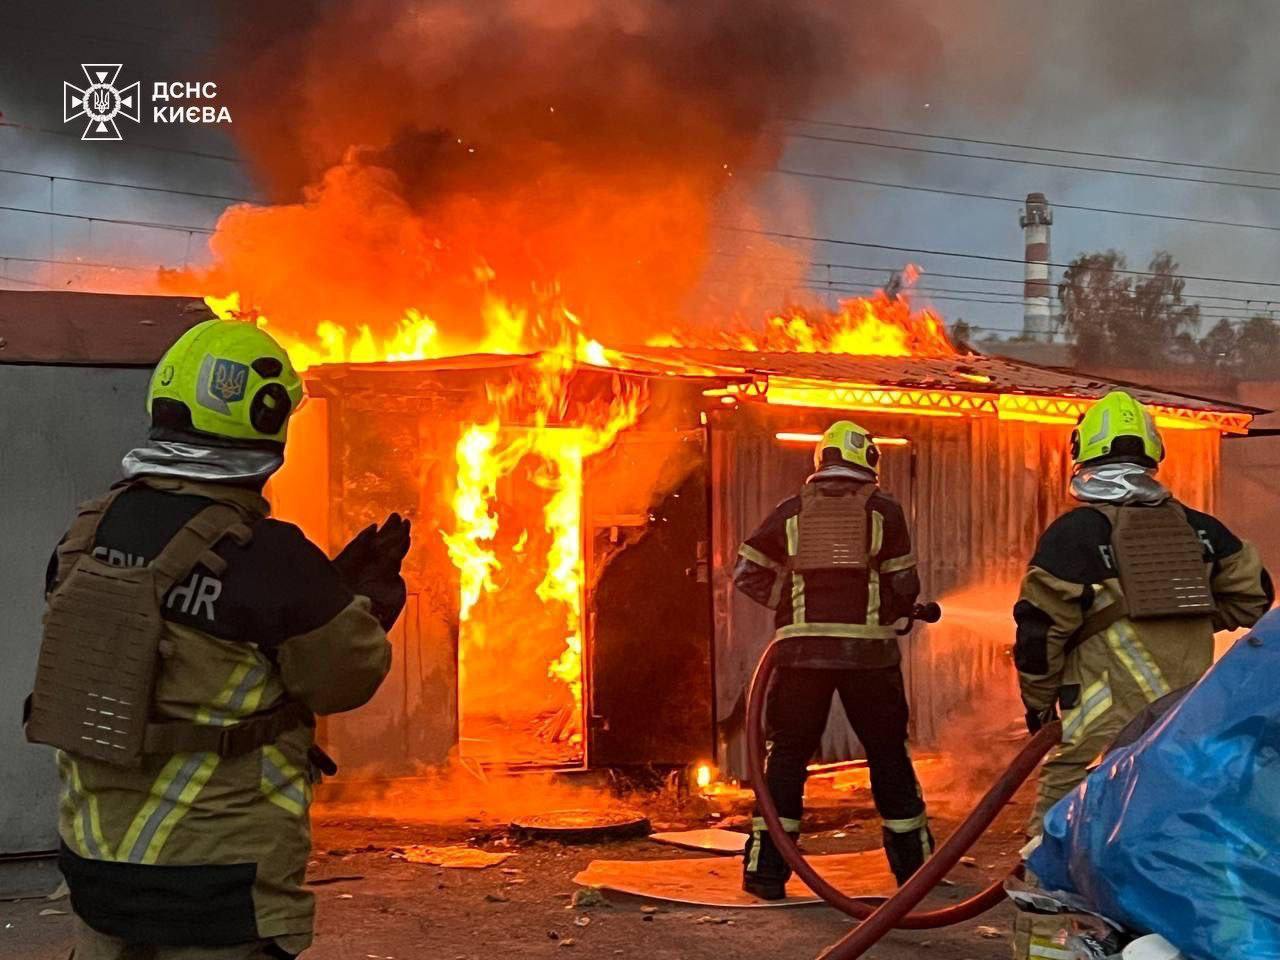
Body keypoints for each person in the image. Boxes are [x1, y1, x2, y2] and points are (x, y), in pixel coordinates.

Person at [25, 319, 410, 959]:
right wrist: (365, 604)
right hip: (218, 886)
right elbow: (344, 678)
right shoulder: (274, 558)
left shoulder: (87, 534)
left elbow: (184, 634)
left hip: (95, 871)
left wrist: (323, 592)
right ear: (266, 424)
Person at [1015, 390, 1271, 835]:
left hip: (1100, 724)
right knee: (1168, 825)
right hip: (1186, 716)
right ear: (1154, 453)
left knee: (1062, 831)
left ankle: (1046, 901)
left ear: (1082, 452)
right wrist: (1188, 615)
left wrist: (1038, 706)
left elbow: (1039, 635)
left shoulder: (1072, 535)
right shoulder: (1204, 531)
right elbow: (1254, 600)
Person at [732, 420, 932, 900]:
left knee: (786, 758)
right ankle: (914, 872)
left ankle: (766, 872)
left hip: (800, 655)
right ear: (868, 464)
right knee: (887, 755)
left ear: (820, 462)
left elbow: (746, 573)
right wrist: (892, 607)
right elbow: (904, 583)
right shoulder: (884, 511)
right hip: (869, 656)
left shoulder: (790, 511)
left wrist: (792, 603)